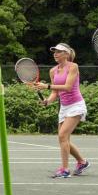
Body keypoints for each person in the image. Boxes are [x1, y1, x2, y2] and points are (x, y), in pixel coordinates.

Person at [33, 43, 89, 178]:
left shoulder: (73, 67)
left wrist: (46, 86)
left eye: (58, 51)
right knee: (64, 139)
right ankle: (82, 162)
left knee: (62, 136)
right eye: (54, 51)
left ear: (66, 54)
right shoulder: (53, 71)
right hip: (64, 107)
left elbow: (68, 87)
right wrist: (47, 101)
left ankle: (65, 170)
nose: (55, 54)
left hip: (76, 105)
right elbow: (55, 92)